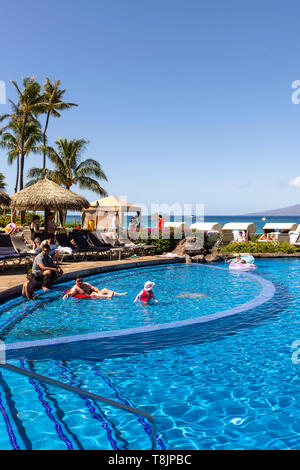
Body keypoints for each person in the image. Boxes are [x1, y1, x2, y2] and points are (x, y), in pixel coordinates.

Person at [63, 275, 128, 299]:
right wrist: (66, 295)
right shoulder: (75, 288)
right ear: (75, 282)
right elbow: (71, 293)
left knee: (105, 289)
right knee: (93, 294)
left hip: (95, 293)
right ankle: (107, 296)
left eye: (81, 280)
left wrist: (98, 291)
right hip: (90, 297)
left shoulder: (86, 284)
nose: (80, 282)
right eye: (78, 281)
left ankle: (120, 294)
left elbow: (93, 288)